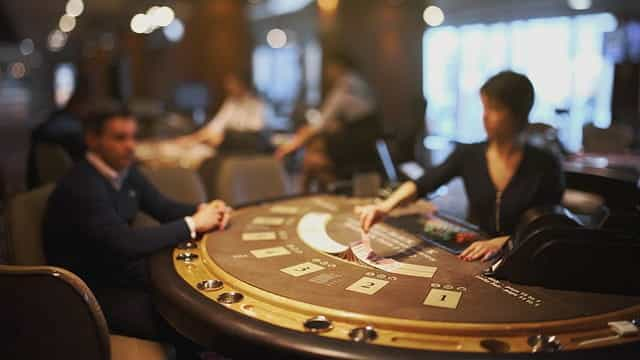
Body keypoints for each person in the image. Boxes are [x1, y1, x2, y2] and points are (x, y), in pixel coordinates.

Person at [43, 103, 231, 359]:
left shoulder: (123, 170)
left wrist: (205, 209)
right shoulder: (82, 185)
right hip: (91, 293)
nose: (130, 146)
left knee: (200, 309)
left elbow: (163, 207)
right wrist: (194, 223)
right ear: (92, 139)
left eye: (133, 137)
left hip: (122, 274)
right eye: (120, 138)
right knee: (193, 323)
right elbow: (123, 242)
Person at [356, 71, 565, 262]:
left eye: (494, 108)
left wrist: (504, 241)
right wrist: (384, 207)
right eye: (484, 107)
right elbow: (424, 183)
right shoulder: (469, 154)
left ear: (519, 113)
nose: (485, 116)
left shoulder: (545, 164)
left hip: (524, 258)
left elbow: (549, 227)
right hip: (476, 253)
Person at [274, 54, 379, 191]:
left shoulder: (346, 85)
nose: (327, 72)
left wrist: (291, 146)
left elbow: (319, 124)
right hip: (368, 139)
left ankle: (305, 195)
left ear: (338, 66)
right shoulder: (357, 81)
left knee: (311, 159)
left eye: (329, 67)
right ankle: (325, 193)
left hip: (361, 143)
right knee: (316, 155)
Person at [177, 73, 270, 152]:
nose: (228, 87)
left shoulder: (257, 103)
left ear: (242, 84)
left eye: (232, 83)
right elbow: (215, 126)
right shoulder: (231, 102)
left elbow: (254, 128)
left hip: (249, 147)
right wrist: (192, 139)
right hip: (229, 146)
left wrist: (224, 136)